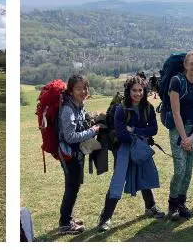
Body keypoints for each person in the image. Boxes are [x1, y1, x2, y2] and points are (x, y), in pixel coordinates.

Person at [97, 75, 164, 231]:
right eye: (134, 90)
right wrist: (141, 135)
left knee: (145, 175)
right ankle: (104, 218)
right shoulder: (120, 109)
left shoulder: (148, 108)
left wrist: (134, 130)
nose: (138, 93)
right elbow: (121, 134)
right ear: (128, 91)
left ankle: (150, 207)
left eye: (140, 90)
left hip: (140, 146)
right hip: (124, 149)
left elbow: (153, 129)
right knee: (118, 181)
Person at [57, 74, 101, 234]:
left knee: (74, 186)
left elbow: (80, 125)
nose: (82, 91)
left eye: (84, 88)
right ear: (70, 91)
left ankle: (68, 217)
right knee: (72, 187)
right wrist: (92, 131)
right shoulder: (68, 109)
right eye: (78, 89)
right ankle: (65, 224)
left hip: (77, 153)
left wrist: (91, 120)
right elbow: (70, 137)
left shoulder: (79, 105)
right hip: (69, 154)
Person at [167, 51, 193, 220]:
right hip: (178, 129)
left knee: (189, 169)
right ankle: (173, 204)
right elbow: (176, 113)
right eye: (192, 63)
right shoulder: (176, 81)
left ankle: (182, 202)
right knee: (180, 169)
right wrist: (185, 138)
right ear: (185, 65)